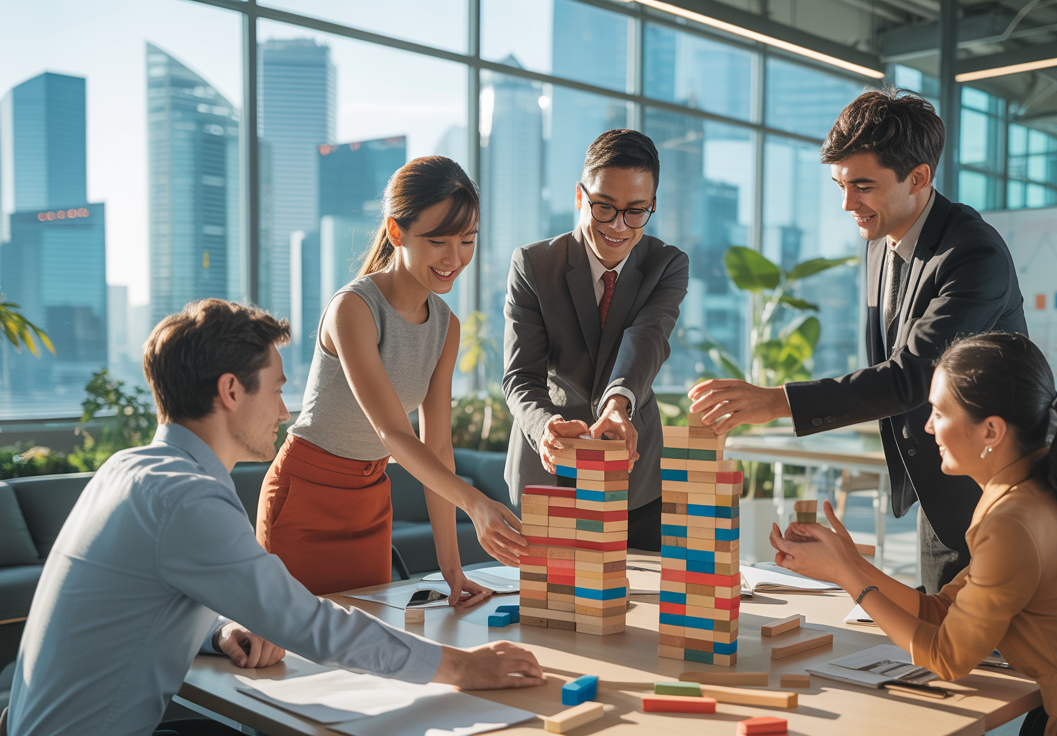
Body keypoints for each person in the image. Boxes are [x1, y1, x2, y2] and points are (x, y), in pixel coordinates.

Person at [2, 299, 544, 736]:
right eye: (279, 387)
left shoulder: (131, 470)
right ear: (231, 391)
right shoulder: (187, 499)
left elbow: (137, 602)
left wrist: (218, 632)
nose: (286, 412)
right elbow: (310, 625)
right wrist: (464, 667)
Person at [688, 89, 1026, 591]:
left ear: (918, 178)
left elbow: (914, 374)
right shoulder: (883, 242)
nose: (848, 204)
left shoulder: (973, 254)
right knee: (942, 643)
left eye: (862, 186)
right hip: (941, 483)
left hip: (996, 491)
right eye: (840, 185)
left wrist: (776, 401)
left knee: (986, 653)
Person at [770, 332, 1057, 736]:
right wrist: (855, 564)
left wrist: (850, 577)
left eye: (938, 412)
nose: (929, 427)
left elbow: (946, 657)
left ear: (991, 431)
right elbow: (940, 612)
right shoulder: (1038, 487)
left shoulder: (1012, 520)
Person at [256, 156, 527, 597]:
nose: (454, 258)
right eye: (438, 240)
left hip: (369, 498)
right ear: (396, 231)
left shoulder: (446, 326)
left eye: (467, 240)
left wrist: (452, 571)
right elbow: (394, 433)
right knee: (289, 650)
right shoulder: (355, 309)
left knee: (369, 649)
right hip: (305, 493)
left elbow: (437, 446)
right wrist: (475, 504)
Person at [503, 129, 689, 551]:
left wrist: (617, 404)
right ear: (579, 195)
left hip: (634, 483)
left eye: (636, 211)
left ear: (652, 205)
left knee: (642, 609)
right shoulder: (533, 265)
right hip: (550, 472)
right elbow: (520, 376)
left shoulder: (667, 264)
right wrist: (544, 426)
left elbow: (647, 339)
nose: (618, 227)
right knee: (550, 611)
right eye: (604, 207)